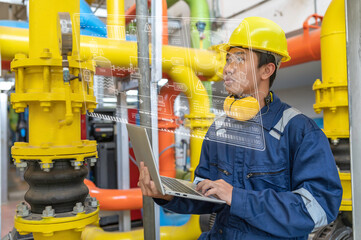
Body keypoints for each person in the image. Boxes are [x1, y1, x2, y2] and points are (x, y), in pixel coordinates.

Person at [137, 16, 342, 239]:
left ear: (267, 70)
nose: (228, 69)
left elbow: (319, 208)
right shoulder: (220, 129)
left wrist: (238, 197)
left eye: (240, 59)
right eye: (228, 60)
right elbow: (206, 194)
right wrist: (167, 195)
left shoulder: (300, 131)